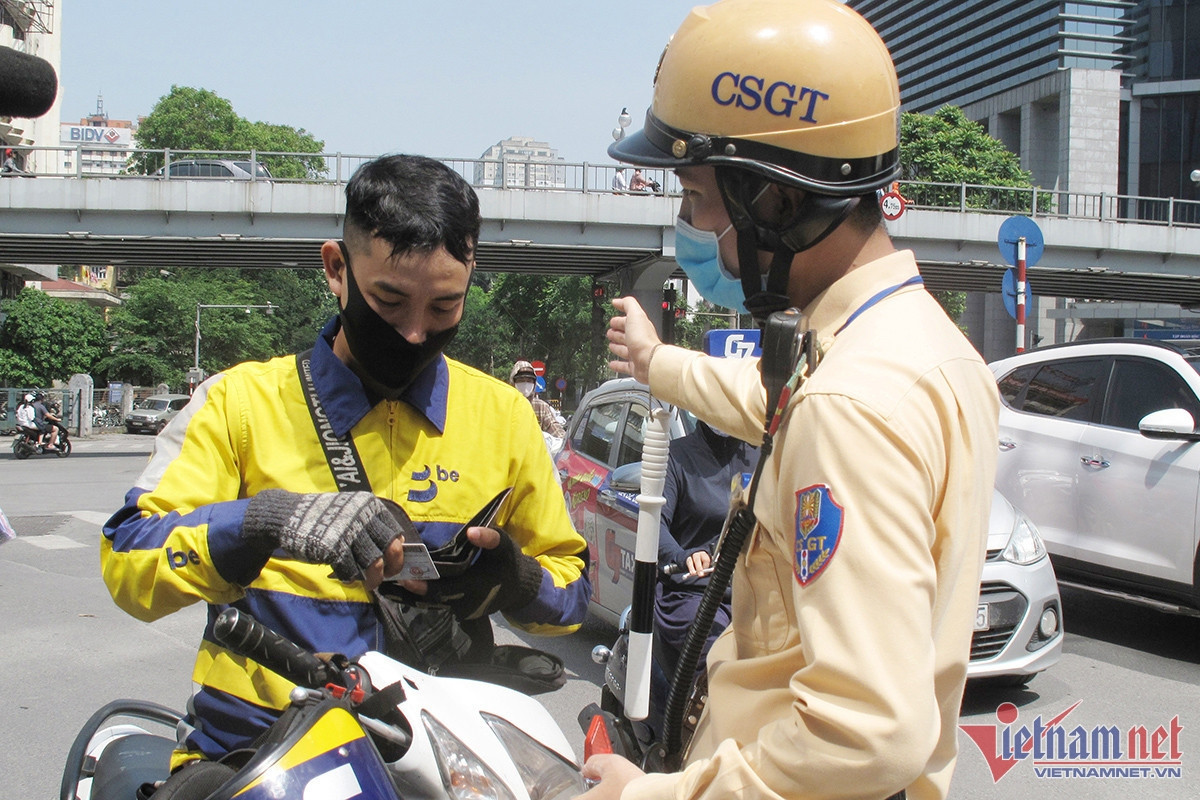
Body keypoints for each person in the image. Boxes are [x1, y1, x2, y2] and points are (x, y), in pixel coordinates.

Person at [585, 2, 1000, 799]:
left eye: (698, 197)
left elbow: (865, 733)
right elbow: (769, 402)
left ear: (773, 201)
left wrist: (651, 795)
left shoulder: (847, 403)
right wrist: (657, 362)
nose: (689, 226)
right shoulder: (925, 349)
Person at [101, 154, 591, 781]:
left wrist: (513, 580)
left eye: (443, 308)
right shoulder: (236, 404)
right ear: (337, 269)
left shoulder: (505, 418)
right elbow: (127, 565)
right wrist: (263, 522)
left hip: (442, 767)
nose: (415, 333)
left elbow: (572, 593)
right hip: (256, 761)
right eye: (390, 300)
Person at [650, 418, 757, 731]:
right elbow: (654, 524)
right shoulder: (677, 455)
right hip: (692, 592)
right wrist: (684, 556)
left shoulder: (763, 457)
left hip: (753, 592)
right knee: (718, 662)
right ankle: (699, 750)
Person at [510, 360, 565, 440]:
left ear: (534, 383)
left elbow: (555, 430)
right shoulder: (506, 405)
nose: (525, 384)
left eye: (529, 381)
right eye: (521, 380)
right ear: (513, 382)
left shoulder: (541, 407)